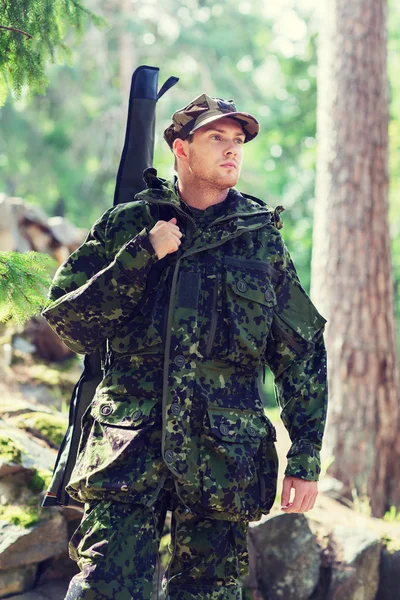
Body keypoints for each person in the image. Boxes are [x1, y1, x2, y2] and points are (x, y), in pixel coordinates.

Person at [42, 93, 328, 600]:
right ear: (180, 149)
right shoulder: (129, 224)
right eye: (216, 138)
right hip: (126, 451)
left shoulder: (261, 240)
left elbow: (300, 351)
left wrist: (304, 456)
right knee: (103, 589)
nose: (231, 150)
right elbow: (68, 323)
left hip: (223, 457)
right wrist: (140, 256)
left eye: (238, 141)